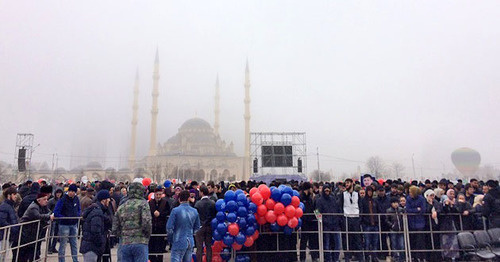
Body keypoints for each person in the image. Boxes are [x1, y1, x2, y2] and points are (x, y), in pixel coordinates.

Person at [112, 182, 152, 262]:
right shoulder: (143, 204)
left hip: (125, 242)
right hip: (140, 241)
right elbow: (147, 222)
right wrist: (146, 235)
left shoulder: (122, 206)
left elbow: (115, 227)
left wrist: (122, 235)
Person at [18, 192, 54, 262]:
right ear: (39, 200)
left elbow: (48, 211)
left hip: (32, 231)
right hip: (26, 232)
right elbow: (38, 216)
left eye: (47, 199)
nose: (46, 201)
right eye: (44, 199)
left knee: (32, 249)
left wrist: (49, 214)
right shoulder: (33, 207)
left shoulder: (41, 206)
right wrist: (49, 217)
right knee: (25, 252)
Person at [167, 190, 201, 262]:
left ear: (179, 199)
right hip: (190, 240)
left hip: (178, 239)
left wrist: (170, 240)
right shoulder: (194, 211)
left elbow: (169, 228)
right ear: (188, 198)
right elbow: (197, 227)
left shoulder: (175, 211)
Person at [80, 190, 112, 262]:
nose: (109, 201)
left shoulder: (98, 210)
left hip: (90, 245)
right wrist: (101, 242)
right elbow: (95, 231)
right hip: (92, 246)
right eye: (108, 199)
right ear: (104, 200)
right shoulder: (97, 213)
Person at [54, 184, 81, 262]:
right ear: (68, 191)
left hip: (74, 224)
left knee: (74, 244)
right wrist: (62, 217)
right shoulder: (62, 200)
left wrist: (77, 215)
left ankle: (75, 259)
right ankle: (61, 260)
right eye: (70, 191)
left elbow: (79, 209)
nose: (71, 193)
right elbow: (56, 211)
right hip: (64, 224)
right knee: (63, 244)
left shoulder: (76, 199)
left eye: (73, 191)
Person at [338, 178, 363, 262]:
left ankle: (360, 257)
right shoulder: (343, 194)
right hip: (346, 218)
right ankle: (347, 257)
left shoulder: (357, 194)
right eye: (346, 183)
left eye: (348, 183)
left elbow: (360, 205)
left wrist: (360, 218)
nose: (347, 184)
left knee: (357, 239)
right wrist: (342, 218)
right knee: (346, 239)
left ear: (352, 183)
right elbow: (340, 206)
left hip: (356, 218)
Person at [194, 185, 216, 262]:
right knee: (209, 246)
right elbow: (214, 215)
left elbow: (196, 216)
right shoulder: (212, 203)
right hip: (209, 226)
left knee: (199, 247)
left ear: (202, 192)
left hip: (200, 227)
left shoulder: (197, 203)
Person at [299, 182, 319, 262]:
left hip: (312, 222)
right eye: (311, 188)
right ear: (308, 189)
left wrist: (318, 217)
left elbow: (315, 209)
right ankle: (302, 258)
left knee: (313, 241)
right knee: (303, 241)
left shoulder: (311, 198)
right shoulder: (301, 198)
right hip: (304, 223)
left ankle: (314, 257)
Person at [148, 188, 170, 262]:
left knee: (160, 246)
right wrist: (153, 213)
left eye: (160, 194)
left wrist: (160, 214)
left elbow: (168, 212)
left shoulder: (165, 202)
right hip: (152, 227)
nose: (158, 196)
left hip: (161, 227)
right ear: (154, 194)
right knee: (152, 246)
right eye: (157, 194)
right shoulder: (150, 202)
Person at [406, 185, 426, 261]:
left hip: (420, 223)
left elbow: (423, 210)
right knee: (413, 241)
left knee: (420, 241)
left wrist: (414, 210)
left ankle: (421, 257)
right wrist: (416, 209)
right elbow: (408, 209)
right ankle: (413, 256)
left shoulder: (421, 199)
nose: (410, 193)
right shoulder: (408, 198)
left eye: (411, 192)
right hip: (411, 223)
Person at [360, 186, 379, 262]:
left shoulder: (375, 201)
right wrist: (363, 220)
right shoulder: (363, 201)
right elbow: (361, 211)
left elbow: (378, 210)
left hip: (375, 224)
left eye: (371, 191)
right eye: (368, 191)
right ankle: (367, 257)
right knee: (367, 242)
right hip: (366, 224)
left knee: (375, 242)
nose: (370, 192)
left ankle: (374, 256)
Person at [0, 187, 19, 262]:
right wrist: (12, 228)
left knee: (4, 255)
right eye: (14, 194)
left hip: (8, 235)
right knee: (2, 256)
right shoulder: (5, 206)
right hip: (4, 235)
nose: (16, 196)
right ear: (9, 195)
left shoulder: (10, 206)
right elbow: (2, 221)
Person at [440, 189, 460, 260]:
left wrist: (452, 205)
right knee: (445, 242)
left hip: (453, 224)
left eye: (453, 193)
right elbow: (443, 211)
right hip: (445, 225)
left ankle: (454, 257)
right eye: (450, 193)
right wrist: (446, 204)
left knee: (454, 242)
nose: (452, 195)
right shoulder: (443, 202)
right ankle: (446, 257)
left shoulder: (456, 202)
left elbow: (457, 211)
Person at [386, 197, 404, 262]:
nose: (395, 204)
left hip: (401, 230)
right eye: (394, 203)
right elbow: (387, 220)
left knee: (401, 245)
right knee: (394, 245)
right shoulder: (389, 211)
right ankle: (395, 257)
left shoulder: (401, 210)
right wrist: (392, 225)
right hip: (393, 230)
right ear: (391, 204)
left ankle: (402, 258)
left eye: (396, 202)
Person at [48, 188, 63, 254]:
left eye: (60, 193)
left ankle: (53, 247)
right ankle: (49, 248)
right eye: (57, 193)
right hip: (53, 219)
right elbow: (47, 209)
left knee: (56, 234)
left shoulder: (62, 201)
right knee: (51, 234)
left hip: (59, 219)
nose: (58, 194)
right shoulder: (51, 201)